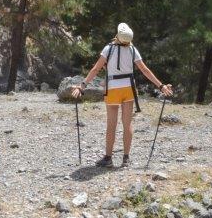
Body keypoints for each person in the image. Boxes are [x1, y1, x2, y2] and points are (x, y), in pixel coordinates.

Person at [72, 22, 173, 167]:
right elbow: (145, 70)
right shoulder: (133, 49)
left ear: (117, 35)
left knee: (111, 125)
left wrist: (82, 86)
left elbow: (95, 69)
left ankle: (108, 158)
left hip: (113, 89)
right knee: (127, 124)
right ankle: (126, 158)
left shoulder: (108, 49)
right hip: (129, 89)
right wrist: (161, 85)